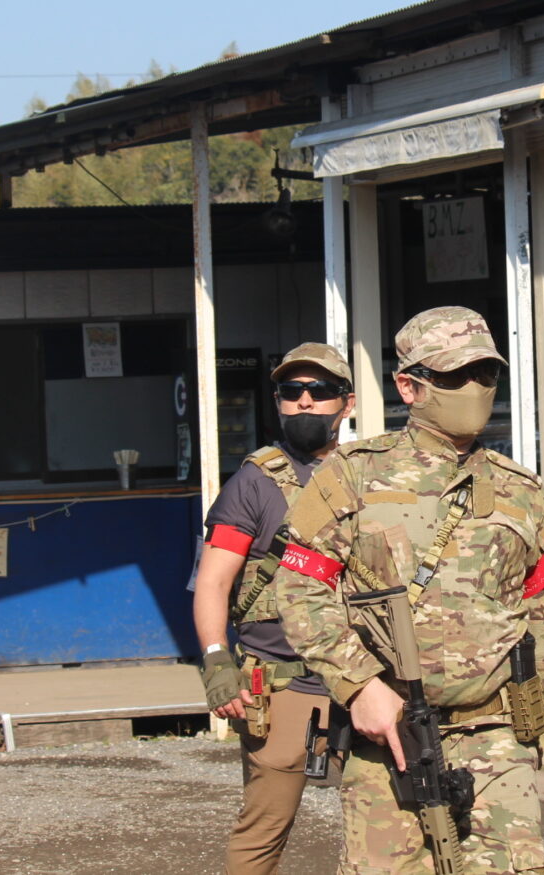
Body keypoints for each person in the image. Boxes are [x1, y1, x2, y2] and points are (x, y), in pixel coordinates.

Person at [277, 306, 544, 873]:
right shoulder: (352, 475)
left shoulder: (525, 493)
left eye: (484, 373)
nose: (473, 387)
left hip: (496, 739)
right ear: (408, 386)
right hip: (388, 740)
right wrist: (359, 686)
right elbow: (299, 591)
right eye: (452, 375)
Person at [191, 342, 355, 874]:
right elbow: (213, 581)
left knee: (390, 829)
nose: (305, 401)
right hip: (285, 685)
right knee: (263, 829)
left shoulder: (372, 476)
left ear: (346, 403)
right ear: (278, 401)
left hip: (367, 682)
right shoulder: (254, 481)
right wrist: (216, 661)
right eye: (292, 390)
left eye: (320, 390)